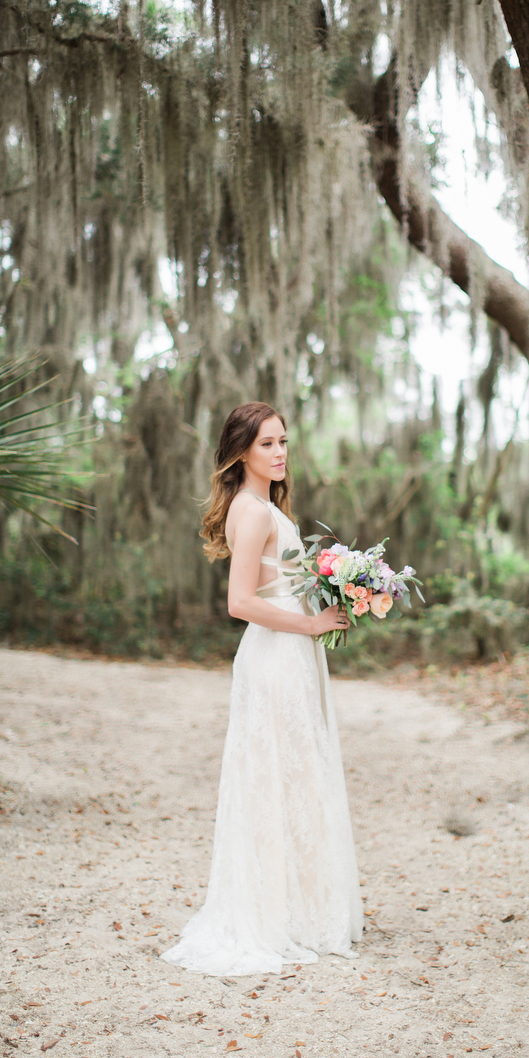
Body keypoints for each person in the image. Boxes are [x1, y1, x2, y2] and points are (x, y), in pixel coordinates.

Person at [162, 402, 363, 976]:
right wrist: (311, 623)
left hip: (293, 657)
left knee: (295, 778)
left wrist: (335, 593)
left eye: (283, 443)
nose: (279, 453)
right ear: (242, 451)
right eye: (267, 444)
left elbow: (284, 585)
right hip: (274, 657)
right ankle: (275, 917)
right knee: (276, 778)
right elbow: (239, 602)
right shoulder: (252, 512)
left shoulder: (268, 508)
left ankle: (297, 909)